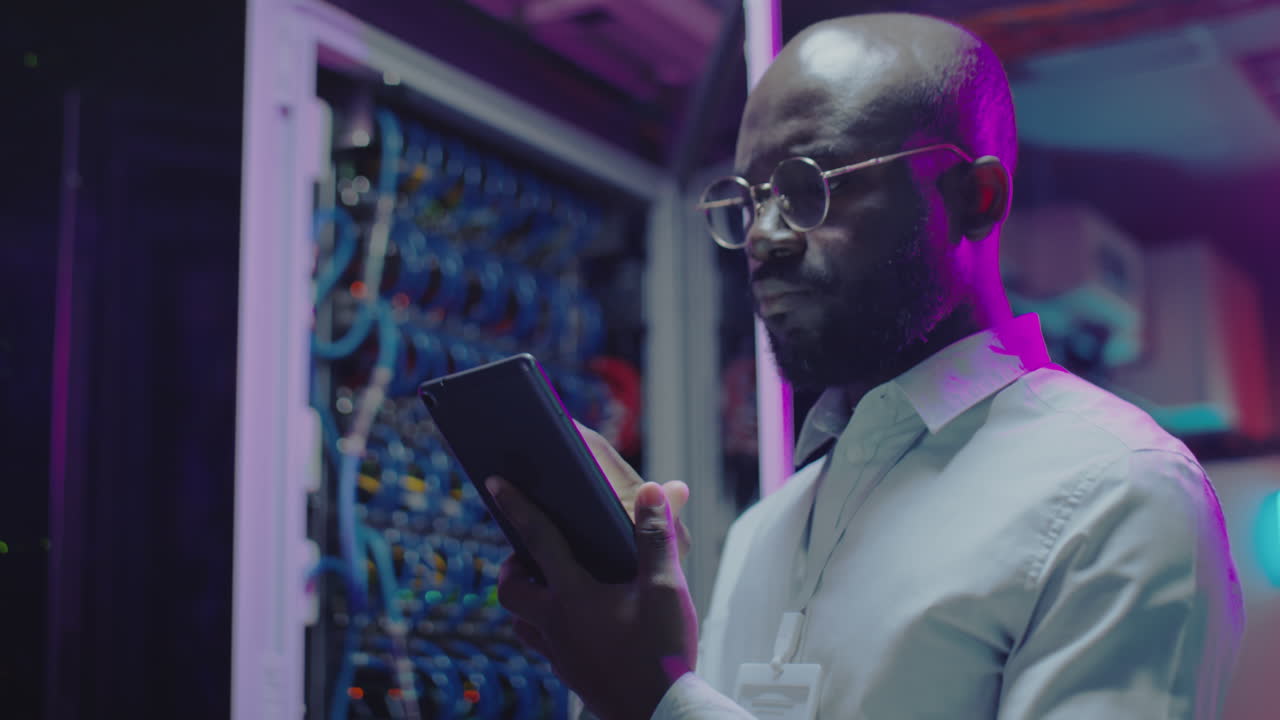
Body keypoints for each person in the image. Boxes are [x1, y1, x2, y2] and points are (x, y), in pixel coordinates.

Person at [488, 12, 1245, 720]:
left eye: (812, 186)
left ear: (973, 200)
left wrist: (658, 699)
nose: (764, 237)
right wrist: (627, 645)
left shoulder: (1117, 493)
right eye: (749, 199)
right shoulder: (766, 528)